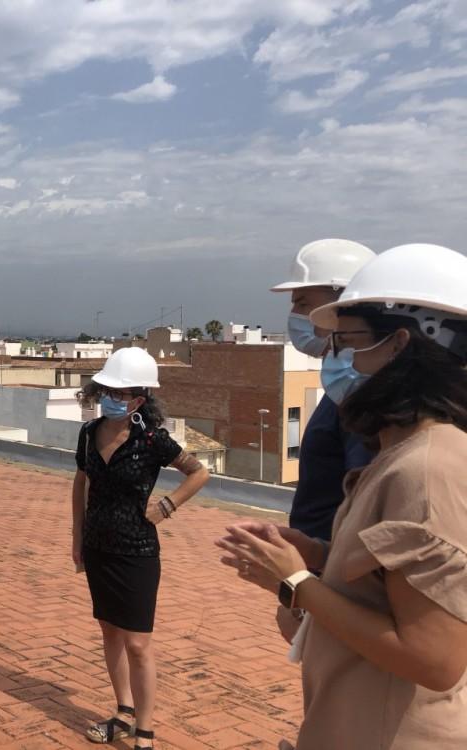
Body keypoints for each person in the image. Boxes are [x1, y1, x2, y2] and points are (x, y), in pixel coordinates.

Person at [218, 244, 467, 749]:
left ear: (398, 345)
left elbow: (434, 659)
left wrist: (295, 582)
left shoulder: (426, 470)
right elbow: (390, 586)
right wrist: (316, 558)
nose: (334, 356)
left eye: (346, 341)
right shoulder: (402, 456)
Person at [72, 348, 210, 748]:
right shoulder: (88, 433)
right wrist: (76, 538)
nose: (109, 397)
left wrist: (166, 506)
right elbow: (81, 483)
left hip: (137, 550)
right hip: (98, 546)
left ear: (138, 400)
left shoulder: (152, 440)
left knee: (137, 643)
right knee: (109, 633)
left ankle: (145, 731)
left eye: (119, 392)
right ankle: (123, 711)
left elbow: (198, 472)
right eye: (105, 389)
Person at [269, 239, 375, 639]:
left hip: (343, 591)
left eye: (301, 303)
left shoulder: (362, 396)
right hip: (324, 578)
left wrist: (306, 593)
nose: (293, 315)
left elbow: (364, 511)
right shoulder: (342, 388)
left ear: (340, 305)